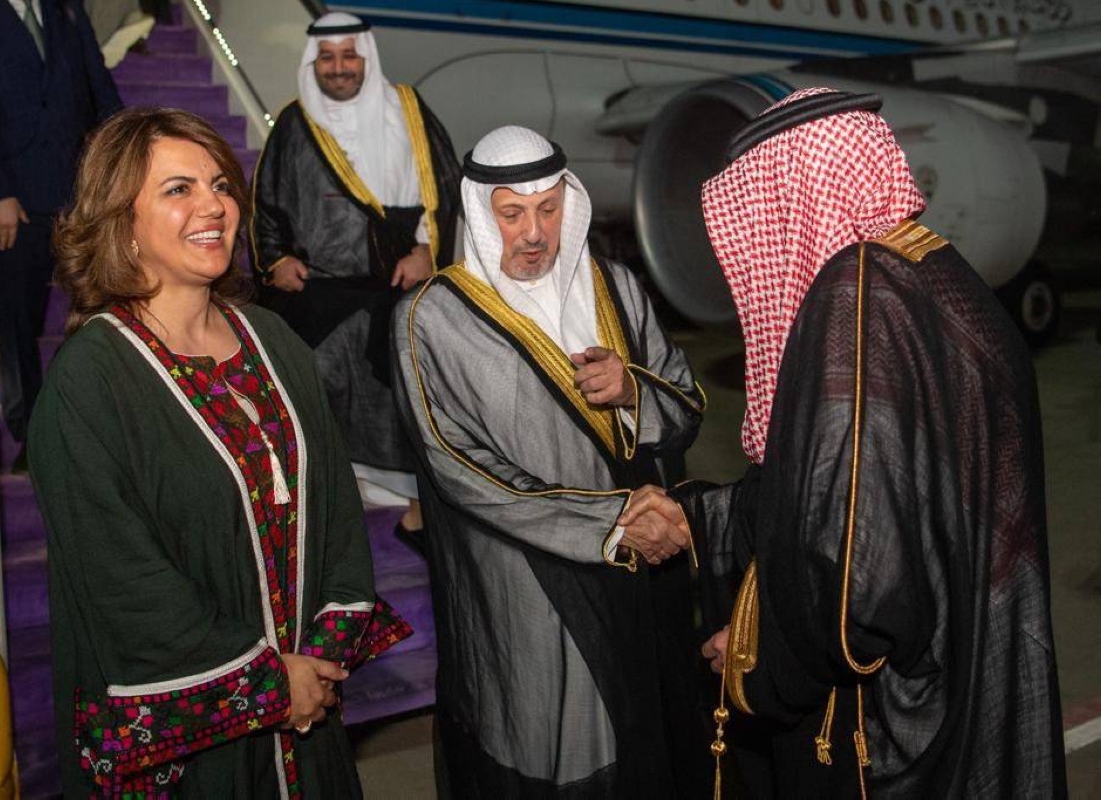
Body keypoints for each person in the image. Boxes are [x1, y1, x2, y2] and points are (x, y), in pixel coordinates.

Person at [626, 88, 1067, 796]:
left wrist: (760, 662)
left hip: (886, 726)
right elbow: (844, 488)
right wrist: (701, 518)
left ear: (793, 199)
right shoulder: (934, 273)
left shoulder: (856, 300)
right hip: (963, 675)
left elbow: (858, 575)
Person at [28, 108, 409, 797]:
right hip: (193, 742)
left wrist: (317, 662)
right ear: (121, 221)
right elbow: (121, 580)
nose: (214, 206)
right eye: (179, 189)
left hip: (308, 705)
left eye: (221, 185)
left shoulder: (274, 339)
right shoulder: (90, 380)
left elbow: (336, 509)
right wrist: (267, 683)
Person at [392, 125, 708, 797]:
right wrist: (606, 522)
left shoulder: (617, 287)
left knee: (650, 735)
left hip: (643, 569)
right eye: (512, 214)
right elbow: (459, 468)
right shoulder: (431, 318)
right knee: (560, 747)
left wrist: (632, 391)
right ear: (482, 215)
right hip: (527, 582)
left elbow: (686, 408)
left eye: (548, 209)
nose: (534, 233)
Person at [251, 11, 460, 539]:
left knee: (403, 390)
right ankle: (319, 508)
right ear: (313, 62)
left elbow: (444, 186)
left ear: (366, 56)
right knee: (308, 386)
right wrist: (275, 260)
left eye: (349, 56)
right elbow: (266, 201)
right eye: (327, 57)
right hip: (318, 289)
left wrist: (426, 251)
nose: (339, 67)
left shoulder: (406, 108)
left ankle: (414, 508)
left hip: (396, 282)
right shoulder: (295, 122)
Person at [0, 0, 122, 453]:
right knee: (14, 318)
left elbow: (98, 85)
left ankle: (79, 416)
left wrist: (122, 162)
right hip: (9, 202)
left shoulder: (65, 9)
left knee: (97, 307)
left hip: (76, 193)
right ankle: (31, 434)